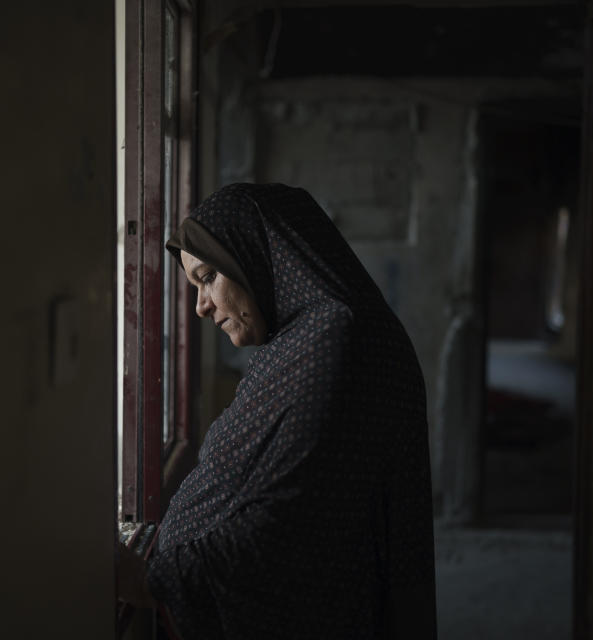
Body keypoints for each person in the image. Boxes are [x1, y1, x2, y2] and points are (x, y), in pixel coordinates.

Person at [118, 183, 437, 639]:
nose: (201, 306)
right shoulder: (304, 340)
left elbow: (286, 529)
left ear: (259, 255)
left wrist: (151, 580)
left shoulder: (336, 342)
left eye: (208, 277)